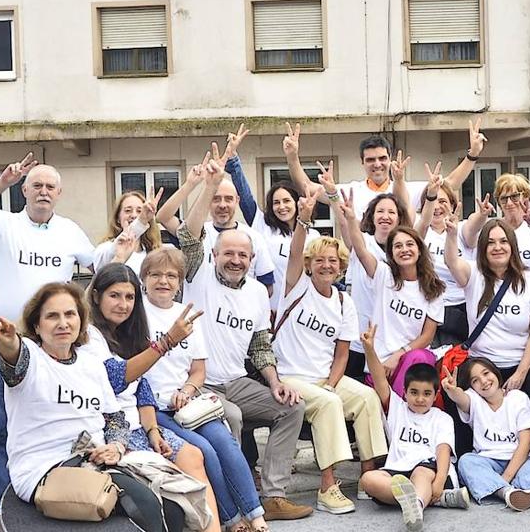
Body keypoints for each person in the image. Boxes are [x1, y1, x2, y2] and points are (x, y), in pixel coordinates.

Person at [175, 153, 313, 521]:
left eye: (243, 255)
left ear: (252, 260)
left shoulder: (255, 291)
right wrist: (208, 186)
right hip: (198, 383)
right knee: (231, 417)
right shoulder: (197, 274)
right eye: (229, 253)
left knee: (292, 406)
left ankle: (273, 495)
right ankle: (234, 503)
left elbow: (260, 345)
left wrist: (275, 381)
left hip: (236, 381)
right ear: (215, 254)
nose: (236, 260)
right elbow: (188, 234)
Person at [0, 154, 95, 532]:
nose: (43, 191)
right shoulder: (5, 223)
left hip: (50, 345)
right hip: (7, 340)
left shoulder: (70, 230)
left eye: (49, 186)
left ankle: (46, 493)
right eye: (36, 185)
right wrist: (1, 181)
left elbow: (101, 264)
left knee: (48, 422)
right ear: (24, 191)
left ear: (59, 193)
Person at [0, 282, 183, 532]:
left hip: (95, 461)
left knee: (174, 510)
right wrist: (8, 343)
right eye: (52, 316)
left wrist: (115, 446)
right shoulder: (31, 358)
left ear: (81, 321)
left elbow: (115, 418)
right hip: (46, 468)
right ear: (37, 325)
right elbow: (14, 358)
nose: (63, 323)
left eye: (70, 314)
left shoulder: (91, 364)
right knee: (143, 505)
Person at [141, 245, 270, 532]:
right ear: (144, 278)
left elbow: (199, 371)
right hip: (155, 408)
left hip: (188, 403)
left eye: (172, 276)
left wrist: (186, 390)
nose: (164, 281)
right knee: (206, 451)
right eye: (156, 275)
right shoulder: (137, 315)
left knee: (225, 442)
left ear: (179, 282)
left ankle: (256, 516)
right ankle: (232, 521)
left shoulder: (187, 316)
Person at [84, 263, 221, 531]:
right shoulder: (90, 334)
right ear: (97, 296)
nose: (123, 304)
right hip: (111, 432)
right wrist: (167, 341)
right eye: (115, 296)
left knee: (193, 455)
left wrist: (153, 431)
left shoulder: (130, 331)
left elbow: (141, 386)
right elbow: (116, 377)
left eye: (130, 297)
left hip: (140, 426)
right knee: (168, 485)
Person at [274, 197, 388, 514]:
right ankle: (328, 486)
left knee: (366, 397)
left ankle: (369, 475)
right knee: (329, 403)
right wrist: (304, 220)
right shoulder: (296, 287)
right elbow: (296, 251)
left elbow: (340, 355)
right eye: (320, 260)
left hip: (325, 378)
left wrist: (331, 382)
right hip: (290, 377)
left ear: (341, 267)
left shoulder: (343, 301)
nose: (327, 265)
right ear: (310, 264)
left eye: (334, 261)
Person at [443, 216, 530, 462]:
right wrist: (451, 235)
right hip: (483, 362)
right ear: (483, 248)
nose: (498, 247)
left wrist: (521, 372)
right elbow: (451, 262)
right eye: (491, 242)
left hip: (524, 360)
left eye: (503, 241)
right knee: (454, 388)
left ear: (512, 245)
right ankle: (464, 459)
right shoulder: (474, 275)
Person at [329, 169, 443, 395]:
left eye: (409, 245)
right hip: (369, 346)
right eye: (398, 247)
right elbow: (359, 248)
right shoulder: (383, 273)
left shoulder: (433, 287)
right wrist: (349, 215)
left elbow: (428, 335)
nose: (404, 249)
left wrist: (430, 196)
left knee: (408, 390)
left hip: (406, 355)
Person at [358, 323, 469, 531]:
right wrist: (369, 349)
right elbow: (380, 379)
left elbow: (443, 451)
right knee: (368, 479)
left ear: (435, 396)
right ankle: (430, 500)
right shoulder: (397, 409)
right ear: (404, 392)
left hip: (430, 471)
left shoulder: (441, 418)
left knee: (421, 473)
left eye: (427, 394)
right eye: (414, 392)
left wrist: (439, 481)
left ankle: (417, 506)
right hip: (397, 473)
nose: (420, 399)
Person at [282, 118, 487, 221]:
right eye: (370, 160)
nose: (377, 164)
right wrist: (292, 156)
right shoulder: (350, 192)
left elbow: (450, 184)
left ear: (390, 159)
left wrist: (473, 154)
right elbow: (307, 186)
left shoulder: (408, 189)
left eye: (382, 158)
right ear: (362, 162)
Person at [219, 124, 321, 312]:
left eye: (286, 201)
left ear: (297, 202)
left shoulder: (314, 236)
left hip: (303, 312)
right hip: (267, 312)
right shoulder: (262, 226)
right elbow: (245, 194)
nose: (281, 207)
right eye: (276, 203)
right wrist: (233, 158)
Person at [158, 139, 276, 293]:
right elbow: (164, 217)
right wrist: (191, 184)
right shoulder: (196, 233)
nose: (222, 205)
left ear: (237, 201)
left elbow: (266, 285)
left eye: (228, 199)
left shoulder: (254, 237)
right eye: (216, 198)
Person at [444, 357, 530, 512]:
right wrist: (452, 390)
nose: (484, 381)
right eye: (475, 380)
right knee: (466, 462)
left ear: (496, 373)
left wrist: (506, 477)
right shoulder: (474, 399)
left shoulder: (518, 398)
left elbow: (526, 444)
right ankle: (507, 493)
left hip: (520, 459)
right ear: (472, 387)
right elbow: (461, 398)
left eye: (486, 373)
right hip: (487, 460)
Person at [336, 190, 414, 378]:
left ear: (399, 217)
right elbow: (346, 227)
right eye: (380, 211)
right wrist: (334, 197)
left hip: (390, 341)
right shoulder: (362, 243)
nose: (385, 217)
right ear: (372, 216)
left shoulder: (405, 250)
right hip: (358, 335)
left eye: (391, 212)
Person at [412, 166, 470, 345]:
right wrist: (430, 194)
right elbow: (421, 225)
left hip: (460, 309)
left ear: (453, 205)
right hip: (427, 306)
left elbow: (476, 224)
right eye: (432, 202)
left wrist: (483, 214)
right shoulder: (420, 230)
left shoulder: (463, 230)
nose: (437, 206)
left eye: (443, 201)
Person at [93, 188, 164, 273]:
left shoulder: (155, 253)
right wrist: (141, 221)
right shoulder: (105, 249)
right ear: (118, 218)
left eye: (139, 211)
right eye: (128, 211)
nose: (134, 215)